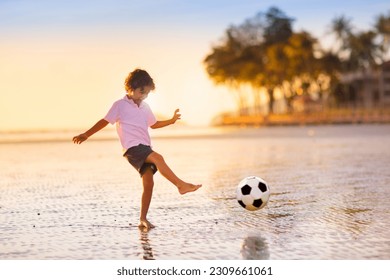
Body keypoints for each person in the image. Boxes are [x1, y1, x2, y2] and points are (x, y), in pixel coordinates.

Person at [72, 69, 202, 229]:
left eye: (147, 93)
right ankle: (180, 185)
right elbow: (105, 121)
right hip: (132, 148)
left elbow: (153, 124)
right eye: (142, 91)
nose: (143, 96)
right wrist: (86, 134)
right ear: (131, 87)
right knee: (158, 158)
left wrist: (171, 120)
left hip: (145, 147)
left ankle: (143, 219)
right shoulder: (119, 105)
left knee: (148, 182)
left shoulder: (145, 107)